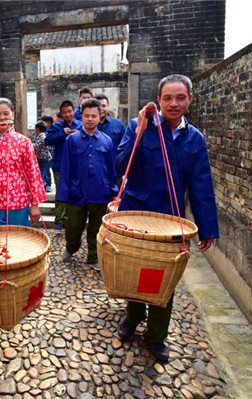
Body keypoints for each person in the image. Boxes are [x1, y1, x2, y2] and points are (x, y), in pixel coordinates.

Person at [115, 74, 219, 363]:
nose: (174, 103)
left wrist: (206, 226)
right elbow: (120, 166)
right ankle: (132, 318)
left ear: (190, 100)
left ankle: (157, 335)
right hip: (135, 216)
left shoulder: (194, 138)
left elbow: (201, 184)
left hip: (171, 220)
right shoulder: (139, 126)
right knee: (134, 271)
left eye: (180, 97)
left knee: (165, 278)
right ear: (158, 100)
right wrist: (139, 132)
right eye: (168, 98)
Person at [57, 99, 118, 267]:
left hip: (100, 191)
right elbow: (66, 167)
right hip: (78, 190)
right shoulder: (72, 140)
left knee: (96, 228)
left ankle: (93, 257)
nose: (90, 119)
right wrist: (64, 193)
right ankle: (71, 247)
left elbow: (111, 168)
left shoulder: (107, 141)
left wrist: (113, 189)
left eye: (94, 116)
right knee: (73, 225)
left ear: (100, 117)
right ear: (81, 117)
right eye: (86, 116)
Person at [0, 98, 47, 227]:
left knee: (17, 243)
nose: (2, 118)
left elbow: (33, 174)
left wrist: (34, 205)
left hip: (18, 204)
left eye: (6, 114)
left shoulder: (24, 142)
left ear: (13, 115)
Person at [44, 100, 82, 229]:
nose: (68, 114)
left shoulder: (81, 125)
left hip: (77, 165)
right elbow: (47, 140)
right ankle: (59, 219)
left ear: (74, 111)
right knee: (61, 191)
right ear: (61, 114)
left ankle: (71, 218)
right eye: (64, 112)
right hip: (60, 164)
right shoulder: (56, 126)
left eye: (70, 111)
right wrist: (63, 133)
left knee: (75, 191)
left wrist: (79, 135)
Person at [31, 121, 52, 191]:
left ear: (37, 129)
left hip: (45, 158)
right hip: (39, 157)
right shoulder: (37, 136)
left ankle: (48, 185)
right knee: (40, 172)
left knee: (46, 172)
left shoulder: (42, 137)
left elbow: (36, 146)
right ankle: (42, 185)